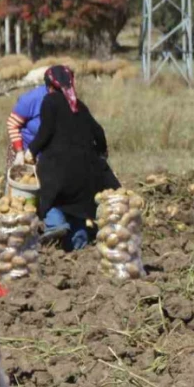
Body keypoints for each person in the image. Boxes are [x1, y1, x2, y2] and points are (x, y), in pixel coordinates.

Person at [29, 66, 120, 251]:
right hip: (86, 172)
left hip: (59, 170)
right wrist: (101, 153)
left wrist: (30, 151)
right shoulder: (78, 104)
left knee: (49, 196)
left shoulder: (50, 101)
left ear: (49, 85)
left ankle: (55, 225)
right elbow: (99, 131)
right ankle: (78, 243)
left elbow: (44, 133)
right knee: (78, 205)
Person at [6, 83, 48, 169]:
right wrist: (19, 152)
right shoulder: (31, 99)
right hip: (25, 151)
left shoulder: (70, 100)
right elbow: (12, 124)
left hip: (50, 156)